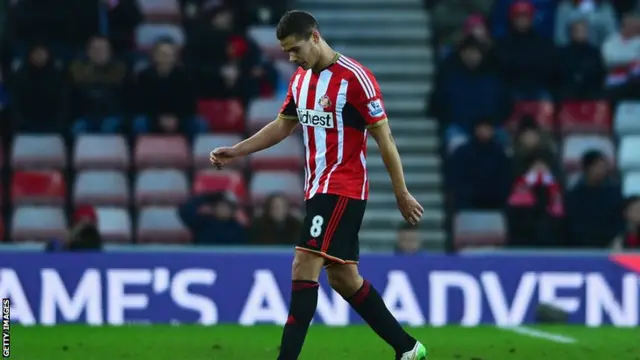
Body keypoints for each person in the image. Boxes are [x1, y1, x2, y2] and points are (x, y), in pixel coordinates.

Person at [210, 10, 428, 360]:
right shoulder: (300, 80)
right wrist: (238, 151)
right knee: (343, 279)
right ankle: (408, 348)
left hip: (342, 188)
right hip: (317, 189)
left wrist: (401, 192)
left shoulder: (356, 79)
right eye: (286, 52)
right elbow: (282, 126)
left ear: (315, 36)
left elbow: (384, 139)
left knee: (303, 264)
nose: (292, 58)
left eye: (295, 49)